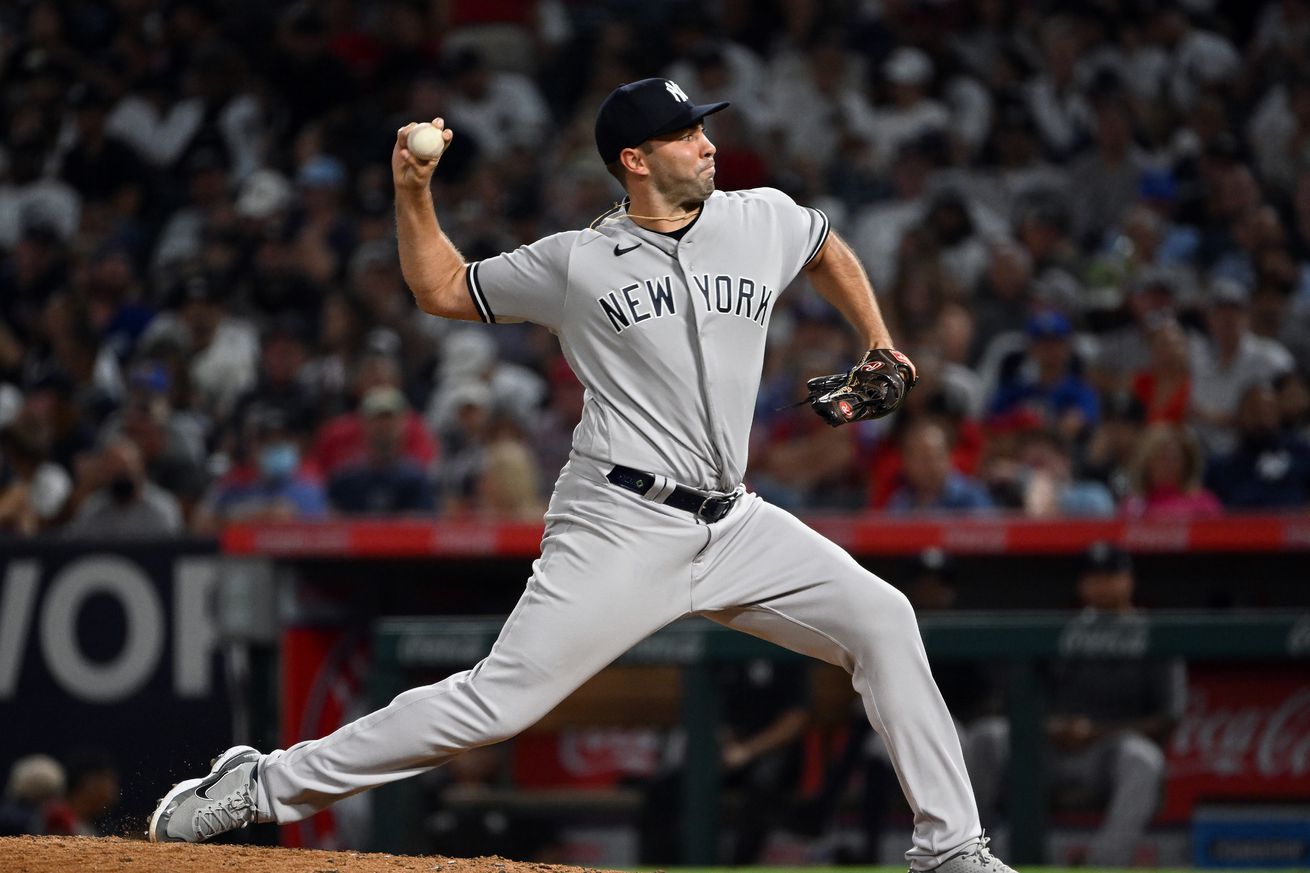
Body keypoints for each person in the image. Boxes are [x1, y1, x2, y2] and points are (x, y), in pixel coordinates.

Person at [150, 77, 1014, 873]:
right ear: (634, 161)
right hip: (619, 520)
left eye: (702, 128)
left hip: (736, 521)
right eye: (684, 134)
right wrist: (414, 191)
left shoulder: (760, 217)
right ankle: (262, 785)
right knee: (496, 704)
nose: (708, 143)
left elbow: (827, 247)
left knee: (883, 617)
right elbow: (443, 288)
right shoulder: (576, 261)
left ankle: (949, 848)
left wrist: (878, 339)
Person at [969, 543, 1185, 867]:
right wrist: (1047, 726)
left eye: (1110, 576)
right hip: (1048, 748)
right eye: (1093, 577)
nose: (1101, 585)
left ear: (1128, 580)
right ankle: (974, 853)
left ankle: (1102, 863)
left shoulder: (1154, 634)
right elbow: (1018, 696)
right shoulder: (1061, 631)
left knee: (1144, 758)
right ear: (1082, 584)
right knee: (988, 735)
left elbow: (1168, 718)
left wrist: (1096, 732)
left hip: (1107, 752)